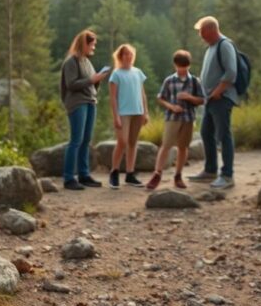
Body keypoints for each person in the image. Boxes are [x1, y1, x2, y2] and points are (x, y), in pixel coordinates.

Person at [188, 16, 238, 189]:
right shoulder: (211, 47)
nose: (201, 37)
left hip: (221, 98)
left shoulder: (225, 45)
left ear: (211, 29)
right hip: (211, 99)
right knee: (206, 133)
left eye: (202, 33)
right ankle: (210, 170)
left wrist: (217, 92)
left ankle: (227, 175)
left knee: (223, 135)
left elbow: (231, 73)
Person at [60, 30, 111, 190]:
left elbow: (90, 84)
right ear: (85, 44)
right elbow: (72, 84)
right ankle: (69, 178)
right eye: (92, 44)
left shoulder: (86, 62)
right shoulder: (71, 62)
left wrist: (97, 79)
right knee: (76, 140)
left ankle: (84, 175)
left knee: (86, 140)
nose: (93, 47)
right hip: (77, 103)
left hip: (90, 101)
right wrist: (91, 79)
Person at [147, 50, 205, 190]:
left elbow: (202, 100)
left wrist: (189, 97)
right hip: (172, 117)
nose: (182, 69)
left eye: (184, 67)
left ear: (188, 66)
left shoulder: (194, 81)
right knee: (166, 145)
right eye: (180, 66)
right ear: (175, 65)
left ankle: (178, 175)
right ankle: (157, 173)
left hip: (188, 118)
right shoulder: (169, 80)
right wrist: (171, 106)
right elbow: (160, 98)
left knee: (183, 147)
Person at [108, 44, 148, 189]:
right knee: (122, 142)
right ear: (120, 57)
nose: (128, 57)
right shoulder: (116, 74)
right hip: (123, 113)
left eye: (130, 54)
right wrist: (116, 116)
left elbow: (142, 94)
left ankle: (130, 174)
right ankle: (114, 172)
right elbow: (112, 97)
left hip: (137, 111)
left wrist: (145, 112)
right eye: (125, 54)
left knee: (133, 142)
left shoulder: (138, 72)